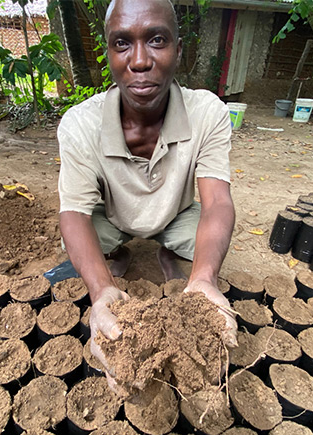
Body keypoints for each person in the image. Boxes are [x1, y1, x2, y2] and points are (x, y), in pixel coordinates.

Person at [57, 0, 238, 391]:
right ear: (108, 53)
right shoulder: (79, 125)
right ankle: (116, 257)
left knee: (208, 243)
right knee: (77, 243)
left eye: (156, 40)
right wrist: (102, 288)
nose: (139, 61)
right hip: (112, 217)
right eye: (122, 43)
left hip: (174, 215)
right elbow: (74, 213)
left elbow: (218, 202)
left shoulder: (207, 112)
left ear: (177, 48)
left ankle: (170, 255)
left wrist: (205, 278)